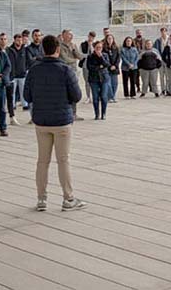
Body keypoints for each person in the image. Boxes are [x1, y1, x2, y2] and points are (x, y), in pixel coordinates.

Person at [25, 35, 87, 211]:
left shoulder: (34, 70)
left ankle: (41, 199)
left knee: (42, 161)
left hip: (41, 121)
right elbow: (77, 96)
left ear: (42, 50)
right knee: (63, 160)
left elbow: (27, 96)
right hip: (61, 121)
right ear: (58, 49)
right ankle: (68, 199)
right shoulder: (65, 70)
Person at [86, 40, 111, 120]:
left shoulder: (105, 55)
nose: (99, 49)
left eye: (100, 47)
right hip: (94, 79)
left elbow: (107, 64)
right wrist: (99, 67)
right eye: (97, 47)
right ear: (94, 48)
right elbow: (90, 67)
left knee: (104, 96)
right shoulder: (90, 56)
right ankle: (97, 114)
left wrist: (101, 57)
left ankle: (104, 114)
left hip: (104, 78)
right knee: (95, 97)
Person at [8, 33, 31, 115]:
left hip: (22, 74)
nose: (19, 42)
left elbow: (28, 60)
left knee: (23, 90)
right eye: (18, 40)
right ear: (14, 40)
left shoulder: (25, 50)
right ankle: (12, 105)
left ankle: (25, 104)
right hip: (13, 74)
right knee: (12, 92)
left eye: (21, 40)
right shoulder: (10, 50)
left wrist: (26, 69)